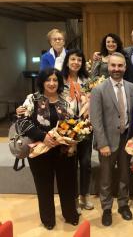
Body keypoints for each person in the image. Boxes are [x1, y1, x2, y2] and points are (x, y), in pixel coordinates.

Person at [18, 68, 79, 230]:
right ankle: (48, 219)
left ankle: (70, 214)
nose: (52, 83)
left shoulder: (66, 101)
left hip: (64, 151)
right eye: (48, 80)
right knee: (44, 186)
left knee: (68, 185)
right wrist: (42, 136)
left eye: (55, 80)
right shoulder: (32, 99)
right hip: (40, 152)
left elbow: (75, 124)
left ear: (59, 82)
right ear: (42, 82)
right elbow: (22, 122)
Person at [90, 52, 133, 226]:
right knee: (106, 177)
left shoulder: (132, 88)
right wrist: (102, 143)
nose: (116, 69)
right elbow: (96, 119)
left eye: (120, 66)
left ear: (125, 67)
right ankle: (107, 208)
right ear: (108, 67)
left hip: (126, 140)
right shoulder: (99, 89)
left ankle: (123, 205)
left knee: (125, 175)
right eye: (113, 65)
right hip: (107, 142)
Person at [61, 49, 93, 213]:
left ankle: (84, 195)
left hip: (85, 126)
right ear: (67, 61)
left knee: (86, 162)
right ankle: (72, 198)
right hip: (67, 128)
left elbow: (92, 100)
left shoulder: (87, 80)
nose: (76, 62)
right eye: (73, 59)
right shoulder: (60, 80)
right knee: (70, 164)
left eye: (79, 60)